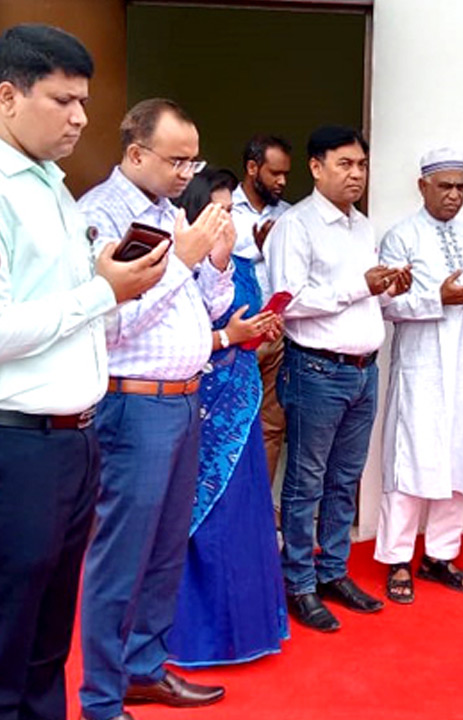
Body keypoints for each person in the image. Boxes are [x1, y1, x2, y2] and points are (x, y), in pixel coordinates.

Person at [0, 25, 167, 720]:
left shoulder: (52, 187)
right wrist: (101, 293)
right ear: (8, 95)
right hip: (10, 448)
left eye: (83, 101)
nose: (81, 118)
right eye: (63, 100)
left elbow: (56, 306)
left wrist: (107, 284)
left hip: (69, 442)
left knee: (43, 650)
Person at [77, 100, 264, 719]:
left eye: (194, 159)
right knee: (121, 556)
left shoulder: (168, 213)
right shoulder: (100, 218)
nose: (188, 172)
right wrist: (182, 262)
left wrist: (212, 263)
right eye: (176, 159)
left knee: (163, 550)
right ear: (135, 154)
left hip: (184, 400)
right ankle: (102, 699)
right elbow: (112, 326)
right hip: (133, 405)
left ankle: (143, 668)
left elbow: (205, 310)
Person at [266, 124, 412, 633]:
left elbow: (366, 294)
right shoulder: (297, 226)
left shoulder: (362, 227)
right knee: (305, 483)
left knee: (344, 480)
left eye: (362, 165)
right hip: (316, 370)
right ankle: (299, 585)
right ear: (316, 167)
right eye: (345, 164)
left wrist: (389, 287)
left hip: (362, 371)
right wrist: (358, 286)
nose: (356, 175)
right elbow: (287, 302)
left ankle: (333, 573)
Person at [168, 167, 290, 667]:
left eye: (231, 211)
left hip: (240, 391)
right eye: (218, 211)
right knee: (200, 515)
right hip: (199, 397)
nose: (228, 221)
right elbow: (183, 332)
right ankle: (194, 636)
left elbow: (240, 319)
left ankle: (248, 628)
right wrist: (229, 337)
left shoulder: (241, 261)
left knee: (243, 508)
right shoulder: (177, 264)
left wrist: (263, 328)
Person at [372, 147, 463, 604]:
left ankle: (441, 555)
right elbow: (385, 306)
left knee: (456, 460)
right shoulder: (400, 238)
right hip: (420, 369)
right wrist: (438, 299)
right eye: (445, 186)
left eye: (461, 188)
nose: (454, 196)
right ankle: (397, 559)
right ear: (422, 186)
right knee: (410, 461)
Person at [231, 136, 294, 482]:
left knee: (271, 425)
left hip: (276, 333)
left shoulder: (289, 216)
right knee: (230, 422)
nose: (282, 182)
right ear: (252, 168)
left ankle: (259, 510)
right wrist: (258, 248)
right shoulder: (224, 207)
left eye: (286, 173)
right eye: (274, 173)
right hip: (238, 334)